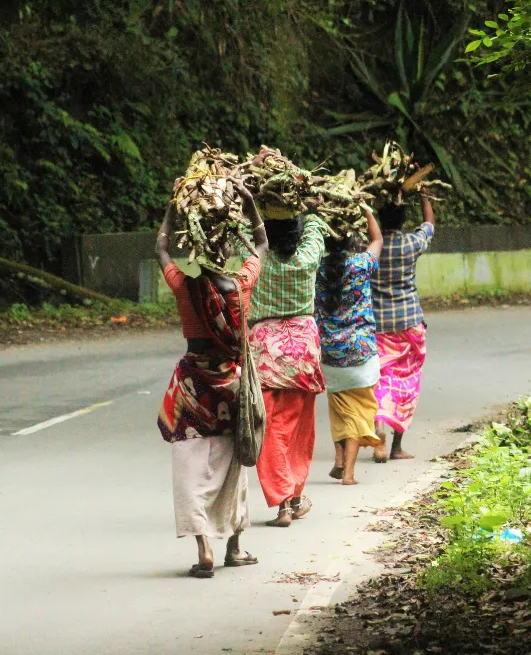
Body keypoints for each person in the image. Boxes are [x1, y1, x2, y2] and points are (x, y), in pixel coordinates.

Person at [155, 194, 269, 578]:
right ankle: (234, 547)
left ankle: (203, 545)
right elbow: (263, 243)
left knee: (189, 461)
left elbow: (161, 247)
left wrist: (172, 212)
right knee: (234, 460)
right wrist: (250, 206)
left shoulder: (185, 288)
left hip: (193, 385)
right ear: (226, 252)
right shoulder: (241, 285)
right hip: (231, 384)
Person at [248, 207, 329, 527]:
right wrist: (308, 205)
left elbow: (241, 231)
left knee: (268, 427)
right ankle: (294, 496)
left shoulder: (258, 258)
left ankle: (283, 502)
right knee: (298, 427)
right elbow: (317, 226)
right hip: (302, 355)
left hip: (265, 353)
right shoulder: (308, 256)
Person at [315, 209, 384, 485]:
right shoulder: (359, 265)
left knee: (339, 407)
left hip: (329, 354)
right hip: (361, 353)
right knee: (360, 410)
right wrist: (367, 211)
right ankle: (349, 474)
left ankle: (339, 460)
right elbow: (377, 239)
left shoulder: (316, 268)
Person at [370, 189, 435, 462]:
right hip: (409, 323)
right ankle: (396, 446)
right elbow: (429, 226)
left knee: (379, 378)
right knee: (407, 381)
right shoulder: (411, 244)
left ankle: (378, 428)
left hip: (378, 324)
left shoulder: (370, 247)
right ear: (403, 219)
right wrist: (425, 197)